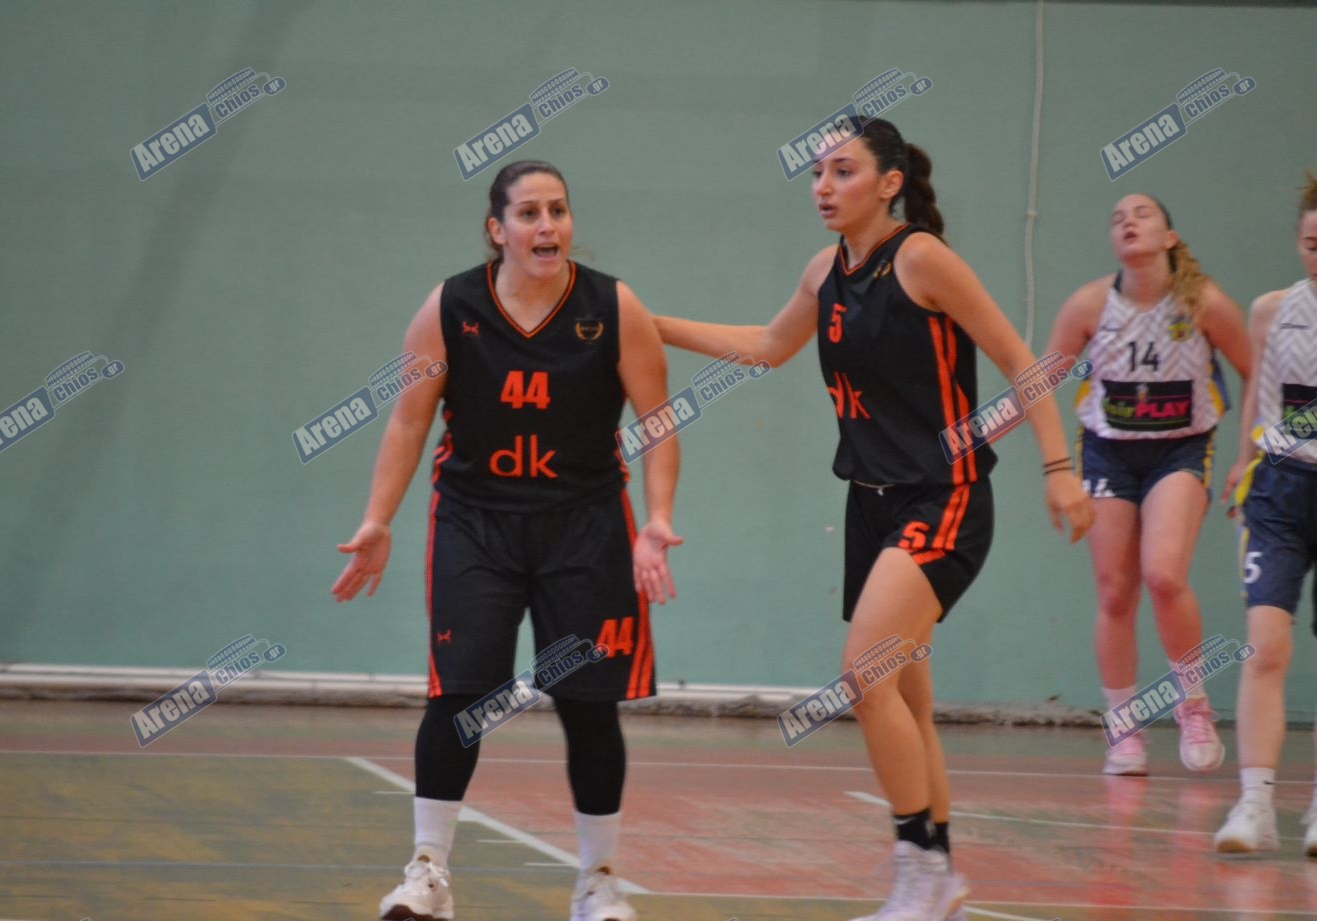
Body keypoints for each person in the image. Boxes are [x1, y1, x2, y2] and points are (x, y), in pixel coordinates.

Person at [653, 119, 1093, 921]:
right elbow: (767, 345)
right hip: (870, 502)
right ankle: (938, 875)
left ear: (889, 183)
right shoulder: (824, 270)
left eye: (843, 170)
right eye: (817, 172)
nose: (823, 186)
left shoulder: (921, 258)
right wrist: (649, 324)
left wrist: (1060, 469)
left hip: (943, 496)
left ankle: (916, 866)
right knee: (906, 701)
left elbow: (1021, 360)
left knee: (863, 673)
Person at [332, 159, 683, 921]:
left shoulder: (613, 306)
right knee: (460, 694)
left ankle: (598, 881)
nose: (547, 225)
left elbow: (658, 421)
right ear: (498, 230)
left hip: (585, 524)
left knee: (588, 703)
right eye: (529, 213)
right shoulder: (451, 305)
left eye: (558, 210)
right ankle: (427, 873)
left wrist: (658, 517)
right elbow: (409, 419)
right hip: (475, 521)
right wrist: (378, 517)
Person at [1045, 194, 1251, 776]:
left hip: (1180, 448)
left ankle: (1193, 704)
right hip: (1108, 450)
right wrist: (1053, 468)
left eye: (1141, 215)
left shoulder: (1204, 303)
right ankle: (1123, 726)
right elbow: (1039, 381)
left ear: (1169, 237)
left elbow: (1255, 369)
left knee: (1163, 575)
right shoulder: (1089, 304)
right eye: (1117, 218)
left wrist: (1247, 455)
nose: (1127, 222)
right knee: (1115, 592)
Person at [1213, 171, 1317, 855]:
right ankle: (1255, 803)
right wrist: (1242, 460)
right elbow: (1261, 391)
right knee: (1265, 645)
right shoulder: (1272, 310)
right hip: (1280, 488)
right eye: (1312, 244)